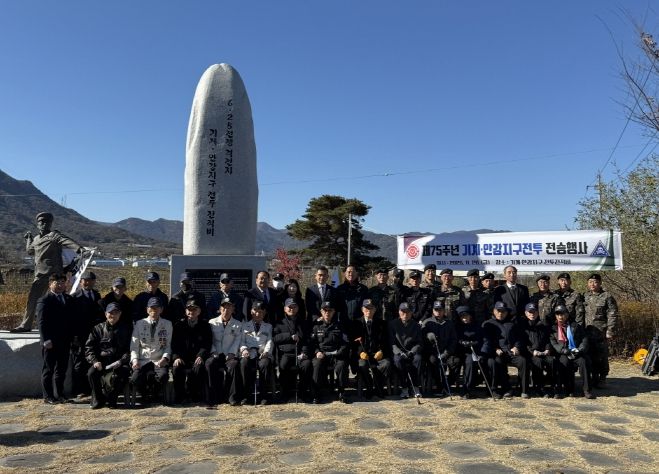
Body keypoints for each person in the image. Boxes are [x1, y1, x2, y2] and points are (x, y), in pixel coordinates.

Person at [12, 212, 86, 332]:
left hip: (54, 275)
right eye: (41, 222)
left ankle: (64, 325)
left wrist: (79, 249)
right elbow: (30, 251)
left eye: (47, 222)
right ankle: (26, 325)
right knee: (32, 300)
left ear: (50, 224)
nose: (44, 224)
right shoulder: (36, 239)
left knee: (59, 301)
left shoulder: (54, 235)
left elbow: (66, 241)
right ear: (37, 224)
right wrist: (29, 238)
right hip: (40, 275)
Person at [85, 302, 132, 409]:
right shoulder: (97, 329)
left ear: (120, 314)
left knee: (123, 372)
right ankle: (98, 398)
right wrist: (95, 361)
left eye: (116, 312)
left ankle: (112, 398)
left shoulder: (127, 329)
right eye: (110, 313)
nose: (113, 315)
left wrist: (121, 361)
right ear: (106, 314)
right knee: (91, 373)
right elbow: (89, 348)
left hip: (119, 361)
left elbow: (131, 349)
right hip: (102, 361)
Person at [37, 273, 73, 404]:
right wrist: (45, 339)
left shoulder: (68, 299)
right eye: (57, 283)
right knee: (48, 369)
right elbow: (41, 322)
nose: (60, 285)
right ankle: (48, 396)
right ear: (50, 284)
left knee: (61, 370)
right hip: (50, 342)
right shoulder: (44, 300)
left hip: (65, 341)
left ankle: (60, 394)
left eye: (63, 282)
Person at [129, 297, 173, 405]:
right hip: (143, 359)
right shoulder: (139, 324)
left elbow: (168, 345)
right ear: (147, 309)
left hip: (159, 359)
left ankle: (155, 394)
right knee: (135, 379)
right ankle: (144, 394)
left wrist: (165, 358)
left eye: (157, 308)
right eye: (151, 308)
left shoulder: (167, 324)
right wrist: (135, 360)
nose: (154, 310)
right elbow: (134, 346)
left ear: (161, 309)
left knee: (163, 376)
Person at [481, 301, 529, 399]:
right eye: (498, 311)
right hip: (496, 353)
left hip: (511, 352)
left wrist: (516, 347)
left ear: (507, 312)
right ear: (494, 311)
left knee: (523, 361)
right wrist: (495, 349)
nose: (500, 313)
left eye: (503, 311)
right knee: (497, 362)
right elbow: (486, 340)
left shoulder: (512, 324)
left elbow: (519, 338)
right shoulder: (488, 324)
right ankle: (505, 389)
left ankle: (524, 390)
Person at [171, 298, 212, 404]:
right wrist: (177, 357)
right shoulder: (178, 325)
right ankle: (180, 396)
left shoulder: (205, 326)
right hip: (182, 357)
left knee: (198, 367)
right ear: (185, 311)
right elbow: (174, 344)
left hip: (197, 357)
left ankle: (194, 394)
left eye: (194, 309)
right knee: (176, 367)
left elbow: (206, 344)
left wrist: (201, 356)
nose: (191, 312)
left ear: (199, 311)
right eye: (189, 309)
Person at [70, 270, 104, 398]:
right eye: (85, 280)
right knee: (79, 363)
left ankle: (91, 388)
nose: (88, 283)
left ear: (94, 282)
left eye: (90, 280)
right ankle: (79, 390)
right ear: (81, 282)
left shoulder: (97, 295)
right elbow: (71, 319)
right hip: (79, 336)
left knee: (93, 361)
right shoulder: (74, 297)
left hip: (94, 335)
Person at [549, 305, 594, 399]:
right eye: (558, 314)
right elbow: (553, 343)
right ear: (555, 316)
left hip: (576, 352)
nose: (560, 316)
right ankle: (563, 389)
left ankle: (587, 390)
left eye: (562, 314)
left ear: (567, 315)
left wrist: (580, 349)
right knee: (563, 362)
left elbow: (584, 339)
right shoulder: (552, 328)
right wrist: (563, 350)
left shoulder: (576, 326)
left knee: (583, 362)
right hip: (563, 353)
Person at [309, 301, 350, 403]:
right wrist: (317, 352)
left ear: (333, 312)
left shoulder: (339, 326)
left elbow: (345, 342)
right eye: (325, 310)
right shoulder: (316, 326)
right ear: (321, 312)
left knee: (342, 364)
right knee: (317, 364)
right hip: (322, 355)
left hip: (336, 354)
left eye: (330, 310)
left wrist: (339, 352)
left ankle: (341, 392)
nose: (327, 312)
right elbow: (312, 343)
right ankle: (316, 394)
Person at [273, 298, 312, 402]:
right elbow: (275, 338)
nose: (292, 309)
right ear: (285, 309)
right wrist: (289, 336)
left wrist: (304, 352)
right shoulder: (279, 322)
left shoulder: (303, 322)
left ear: (298, 308)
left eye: (294, 307)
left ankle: (302, 393)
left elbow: (307, 339)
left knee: (306, 364)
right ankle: (285, 392)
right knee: (283, 365)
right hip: (285, 353)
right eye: (289, 307)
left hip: (299, 353)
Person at [206, 298, 243, 406]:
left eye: (229, 308)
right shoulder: (212, 322)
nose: (226, 310)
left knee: (234, 365)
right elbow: (209, 340)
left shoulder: (238, 324)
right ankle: (213, 397)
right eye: (224, 308)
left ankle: (231, 397)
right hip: (216, 354)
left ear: (233, 309)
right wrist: (213, 352)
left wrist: (232, 353)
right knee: (209, 364)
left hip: (229, 355)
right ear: (219, 309)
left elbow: (237, 340)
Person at [583, 273, 619, 388]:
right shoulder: (585, 296)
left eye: (595, 282)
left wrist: (610, 330)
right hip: (587, 332)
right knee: (590, 356)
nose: (593, 284)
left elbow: (612, 314)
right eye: (590, 282)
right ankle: (594, 377)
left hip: (601, 332)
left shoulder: (607, 296)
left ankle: (602, 378)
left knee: (602, 356)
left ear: (600, 283)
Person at [351, 299, 390, 399]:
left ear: (375, 309)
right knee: (362, 365)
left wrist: (382, 351)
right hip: (363, 356)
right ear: (362, 309)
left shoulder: (382, 323)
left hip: (377, 354)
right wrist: (360, 352)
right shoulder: (355, 323)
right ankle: (369, 388)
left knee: (386, 364)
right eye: (366, 308)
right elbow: (352, 343)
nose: (368, 310)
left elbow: (386, 341)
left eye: (371, 308)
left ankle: (378, 388)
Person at [421, 300, 460, 396]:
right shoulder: (427, 322)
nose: (438, 312)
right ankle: (440, 386)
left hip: (447, 352)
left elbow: (453, 340)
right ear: (433, 311)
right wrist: (427, 336)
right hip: (432, 352)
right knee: (434, 362)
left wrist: (446, 353)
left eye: (440, 310)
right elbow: (421, 340)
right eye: (436, 310)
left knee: (456, 362)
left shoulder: (449, 323)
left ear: (444, 311)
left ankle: (448, 384)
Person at [239, 302, 274, 405]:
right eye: (255, 311)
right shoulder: (244, 325)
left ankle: (263, 395)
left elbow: (270, 341)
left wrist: (266, 352)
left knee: (265, 364)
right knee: (244, 363)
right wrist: (244, 350)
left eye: (260, 311)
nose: (257, 314)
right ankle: (246, 395)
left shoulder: (268, 326)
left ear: (264, 313)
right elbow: (241, 341)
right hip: (249, 353)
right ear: (251, 312)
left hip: (263, 354)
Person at [520, 302, 555, 397]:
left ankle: (552, 386)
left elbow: (547, 339)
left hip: (543, 352)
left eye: (534, 312)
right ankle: (538, 387)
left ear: (537, 313)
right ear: (526, 313)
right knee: (538, 362)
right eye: (530, 312)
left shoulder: (543, 325)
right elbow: (523, 343)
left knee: (552, 361)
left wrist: (547, 349)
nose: (532, 314)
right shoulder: (523, 326)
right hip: (530, 354)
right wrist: (532, 351)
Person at [389, 302, 423, 399]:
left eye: (407, 312)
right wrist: (400, 353)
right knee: (398, 361)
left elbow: (419, 343)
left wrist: (412, 351)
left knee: (418, 359)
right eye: (403, 312)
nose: (405, 314)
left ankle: (415, 387)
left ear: (411, 313)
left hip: (412, 351)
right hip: (399, 352)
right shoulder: (393, 324)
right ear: (399, 312)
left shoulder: (416, 325)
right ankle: (404, 388)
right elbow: (391, 343)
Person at [455, 306, 484, 399]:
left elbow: (480, 340)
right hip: (458, 351)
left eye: (466, 316)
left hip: (471, 351)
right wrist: (461, 342)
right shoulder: (456, 326)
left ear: (470, 316)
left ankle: (467, 388)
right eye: (462, 316)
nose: (464, 318)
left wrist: (472, 343)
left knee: (470, 362)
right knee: (454, 363)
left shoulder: (477, 326)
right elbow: (454, 339)